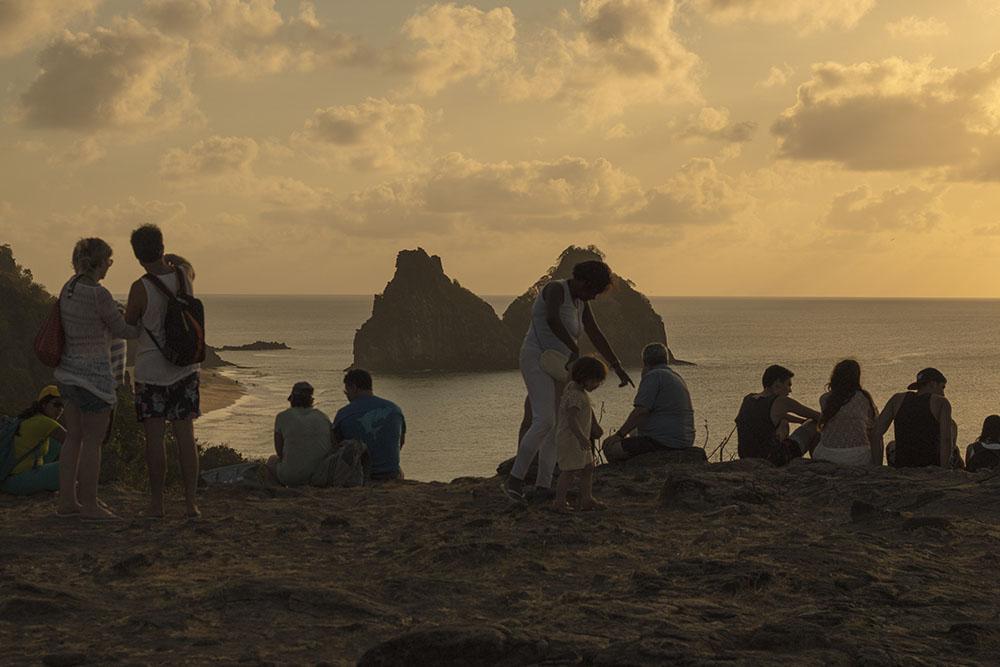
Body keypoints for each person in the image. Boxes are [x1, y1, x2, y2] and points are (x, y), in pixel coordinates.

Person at [504, 260, 634, 502]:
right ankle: (514, 481)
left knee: (555, 426)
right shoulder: (556, 289)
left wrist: (617, 366)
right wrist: (573, 346)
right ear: (583, 282)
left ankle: (543, 485)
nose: (593, 297)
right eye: (593, 290)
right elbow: (552, 319)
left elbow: (595, 333)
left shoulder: (580, 302)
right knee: (544, 419)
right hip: (536, 357)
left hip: (559, 364)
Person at [55, 238, 140, 520]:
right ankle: (90, 504)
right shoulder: (99, 294)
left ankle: (67, 500)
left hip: (68, 373)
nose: (108, 268)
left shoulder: (68, 287)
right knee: (93, 441)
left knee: (73, 438)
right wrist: (141, 321)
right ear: (99, 263)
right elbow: (124, 330)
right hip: (95, 378)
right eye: (108, 262)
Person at [124, 224, 202, 518]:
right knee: (186, 436)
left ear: (136, 255)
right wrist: (173, 257)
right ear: (162, 246)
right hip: (185, 367)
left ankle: (157, 504)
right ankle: (190, 503)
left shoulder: (139, 287)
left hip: (150, 371)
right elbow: (188, 264)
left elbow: (131, 325)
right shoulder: (185, 275)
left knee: (154, 439)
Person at [602, 342, 698, 462]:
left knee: (610, 447)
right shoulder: (675, 376)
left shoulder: (653, 376)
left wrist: (619, 435)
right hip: (683, 439)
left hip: (663, 441)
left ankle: (623, 471)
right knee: (633, 432)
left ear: (645, 361)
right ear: (666, 359)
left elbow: (641, 411)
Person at [735, 365, 820, 465]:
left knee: (784, 422)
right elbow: (817, 415)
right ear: (777, 383)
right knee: (814, 424)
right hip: (774, 458)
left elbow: (771, 417)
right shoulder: (781, 401)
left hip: (746, 456)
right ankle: (817, 462)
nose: (790, 390)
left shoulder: (749, 399)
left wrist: (801, 421)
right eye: (788, 385)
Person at [552, 357, 607, 512]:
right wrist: (582, 437)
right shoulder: (575, 394)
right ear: (585, 377)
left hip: (579, 439)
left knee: (588, 467)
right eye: (596, 381)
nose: (597, 385)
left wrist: (594, 425)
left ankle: (587, 499)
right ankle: (559, 502)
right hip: (571, 439)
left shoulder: (577, 390)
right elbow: (571, 418)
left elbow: (588, 409)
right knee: (569, 470)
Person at [332, 369, 405, 481]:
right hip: (391, 474)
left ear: (354, 388)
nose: (347, 396)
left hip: (360, 476)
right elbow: (400, 443)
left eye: (347, 391)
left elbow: (334, 446)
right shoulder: (394, 409)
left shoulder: (344, 414)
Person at [875, 368, 955, 468]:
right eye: (942, 387)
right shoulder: (941, 402)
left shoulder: (897, 399)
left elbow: (876, 432)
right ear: (933, 384)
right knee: (952, 426)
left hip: (903, 465)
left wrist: (877, 466)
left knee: (891, 445)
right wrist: (944, 470)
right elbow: (946, 439)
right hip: (930, 465)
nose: (943, 393)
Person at [811, 360, 883, 466]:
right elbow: (874, 426)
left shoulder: (825, 399)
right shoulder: (863, 397)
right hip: (857, 458)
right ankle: (878, 468)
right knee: (877, 433)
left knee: (816, 426)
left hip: (826, 456)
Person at [1, 386, 67, 495]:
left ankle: (45, 480)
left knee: (55, 443)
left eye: (62, 406)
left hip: (8, 478)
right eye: (56, 404)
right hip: (17, 481)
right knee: (71, 466)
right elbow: (75, 441)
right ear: (43, 404)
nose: (60, 409)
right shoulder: (44, 422)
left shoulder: (31, 418)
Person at [266, 382, 332, 486]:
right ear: (311, 400)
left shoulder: (282, 417)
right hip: (319, 476)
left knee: (272, 460)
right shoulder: (323, 417)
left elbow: (279, 451)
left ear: (292, 399)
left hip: (292, 477)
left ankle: (279, 490)